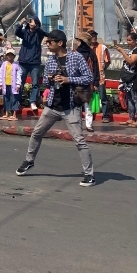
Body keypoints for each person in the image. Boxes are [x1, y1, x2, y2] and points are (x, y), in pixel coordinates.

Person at [15, 29, 95, 186]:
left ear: (60, 43)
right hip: (52, 104)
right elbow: (45, 81)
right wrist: (51, 79)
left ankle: (89, 174)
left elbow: (88, 77)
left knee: (79, 141)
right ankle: (29, 161)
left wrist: (68, 79)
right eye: (46, 41)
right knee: (37, 133)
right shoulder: (51, 59)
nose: (47, 44)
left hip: (70, 106)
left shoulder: (75, 57)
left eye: (50, 42)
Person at [114, 31, 137, 127]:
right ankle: (131, 118)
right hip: (128, 79)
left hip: (134, 78)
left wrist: (122, 51)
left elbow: (131, 61)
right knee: (130, 99)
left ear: (136, 41)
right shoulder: (132, 50)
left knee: (136, 99)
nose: (128, 42)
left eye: (130, 40)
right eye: (127, 40)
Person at [15, 16, 46, 113]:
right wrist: (21, 23)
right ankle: (18, 101)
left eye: (32, 22)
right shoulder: (25, 33)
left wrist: (35, 26)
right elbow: (17, 32)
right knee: (20, 82)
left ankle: (33, 101)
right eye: (30, 22)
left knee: (35, 83)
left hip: (35, 62)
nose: (30, 23)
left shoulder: (38, 33)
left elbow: (43, 33)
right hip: (23, 61)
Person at [74, 32, 99, 131]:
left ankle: (89, 125)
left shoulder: (91, 54)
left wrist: (96, 82)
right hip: (76, 82)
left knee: (87, 104)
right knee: (77, 104)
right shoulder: (75, 52)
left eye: (78, 40)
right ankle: (77, 124)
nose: (77, 42)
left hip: (88, 82)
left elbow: (96, 69)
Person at [88, 30, 113, 122]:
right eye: (92, 35)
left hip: (100, 76)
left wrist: (101, 70)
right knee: (87, 97)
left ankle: (105, 116)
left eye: (95, 35)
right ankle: (89, 115)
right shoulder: (86, 48)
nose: (94, 37)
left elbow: (108, 61)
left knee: (103, 97)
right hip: (88, 76)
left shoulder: (102, 47)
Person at [0, 49, 23, 120]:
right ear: (6, 56)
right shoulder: (4, 64)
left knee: (14, 98)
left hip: (13, 85)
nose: (10, 57)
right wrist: (1, 83)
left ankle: (14, 114)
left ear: (14, 56)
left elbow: (18, 74)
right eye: (8, 55)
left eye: (11, 55)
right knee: (6, 99)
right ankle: (7, 113)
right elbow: (1, 74)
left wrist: (18, 84)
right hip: (6, 84)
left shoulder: (16, 64)